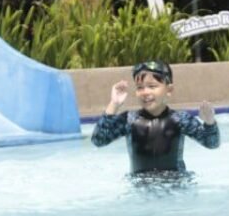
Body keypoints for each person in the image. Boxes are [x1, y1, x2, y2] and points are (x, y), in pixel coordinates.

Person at [91, 60, 220, 173]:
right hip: (142, 187)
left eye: (152, 86)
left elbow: (211, 143)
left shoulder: (181, 119)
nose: (145, 92)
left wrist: (210, 123)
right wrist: (114, 104)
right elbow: (98, 140)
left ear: (169, 90)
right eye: (140, 87)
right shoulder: (128, 120)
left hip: (174, 184)